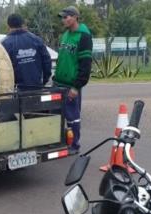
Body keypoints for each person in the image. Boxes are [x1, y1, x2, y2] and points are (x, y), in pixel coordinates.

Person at [52, 6, 92, 152]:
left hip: (71, 85)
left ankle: (74, 145)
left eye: (66, 16)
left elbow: (85, 66)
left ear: (75, 17)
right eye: (63, 17)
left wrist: (76, 87)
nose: (64, 20)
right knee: (55, 114)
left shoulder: (84, 36)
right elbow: (63, 59)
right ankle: (57, 141)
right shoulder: (65, 35)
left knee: (72, 117)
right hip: (58, 82)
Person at [1, 13, 51, 91]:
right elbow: (47, 61)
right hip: (36, 87)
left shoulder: (4, 44)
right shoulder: (36, 39)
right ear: (22, 24)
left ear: (8, 25)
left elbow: (1, 69)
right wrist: (44, 81)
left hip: (15, 91)